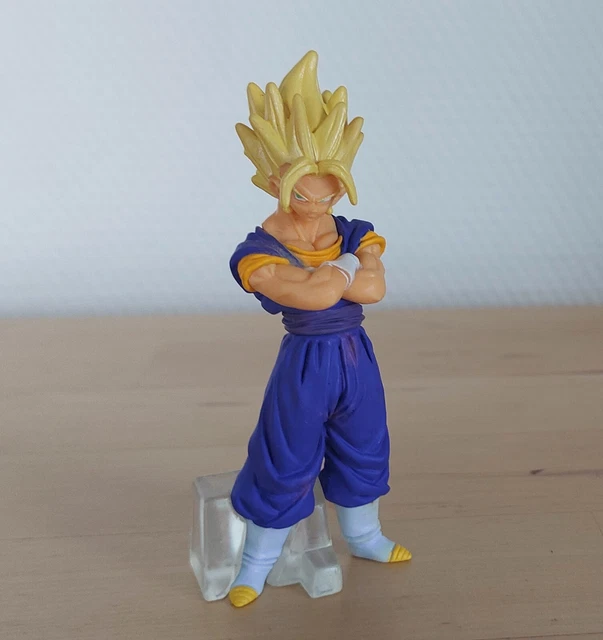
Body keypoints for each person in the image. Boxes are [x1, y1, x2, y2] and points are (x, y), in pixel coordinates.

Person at [228, 51, 411, 608]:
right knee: (285, 459)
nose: (320, 206)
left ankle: (365, 536)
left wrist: (337, 272)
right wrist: (345, 269)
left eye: (331, 194)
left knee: (365, 447)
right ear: (277, 182)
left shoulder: (354, 230)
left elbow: (371, 290)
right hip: (304, 364)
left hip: (356, 356)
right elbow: (316, 296)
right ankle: (254, 565)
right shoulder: (256, 250)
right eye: (307, 195)